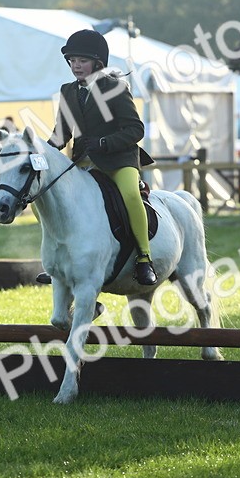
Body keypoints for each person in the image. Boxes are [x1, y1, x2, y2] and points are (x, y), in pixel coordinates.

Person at [43, 29, 158, 286]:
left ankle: (143, 257)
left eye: (81, 60)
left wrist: (105, 142)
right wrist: (42, 151)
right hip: (84, 161)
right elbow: (62, 134)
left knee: (129, 194)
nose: (76, 66)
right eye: (72, 61)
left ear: (98, 62)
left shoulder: (115, 88)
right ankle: (56, 260)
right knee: (44, 194)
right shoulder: (68, 91)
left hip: (118, 160)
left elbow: (135, 130)